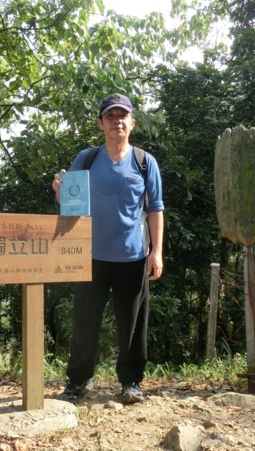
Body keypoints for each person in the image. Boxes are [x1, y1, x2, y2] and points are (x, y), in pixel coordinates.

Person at [52, 93, 164, 404]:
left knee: (133, 324)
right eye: (110, 116)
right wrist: (59, 191)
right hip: (89, 256)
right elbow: (68, 205)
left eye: (122, 115)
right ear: (100, 123)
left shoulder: (145, 162)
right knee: (85, 322)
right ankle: (78, 381)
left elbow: (155, 209)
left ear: (132, 122)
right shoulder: (86, 159)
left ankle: (131, 382)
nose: (117, 121)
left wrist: (156, 252)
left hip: (133, 256)